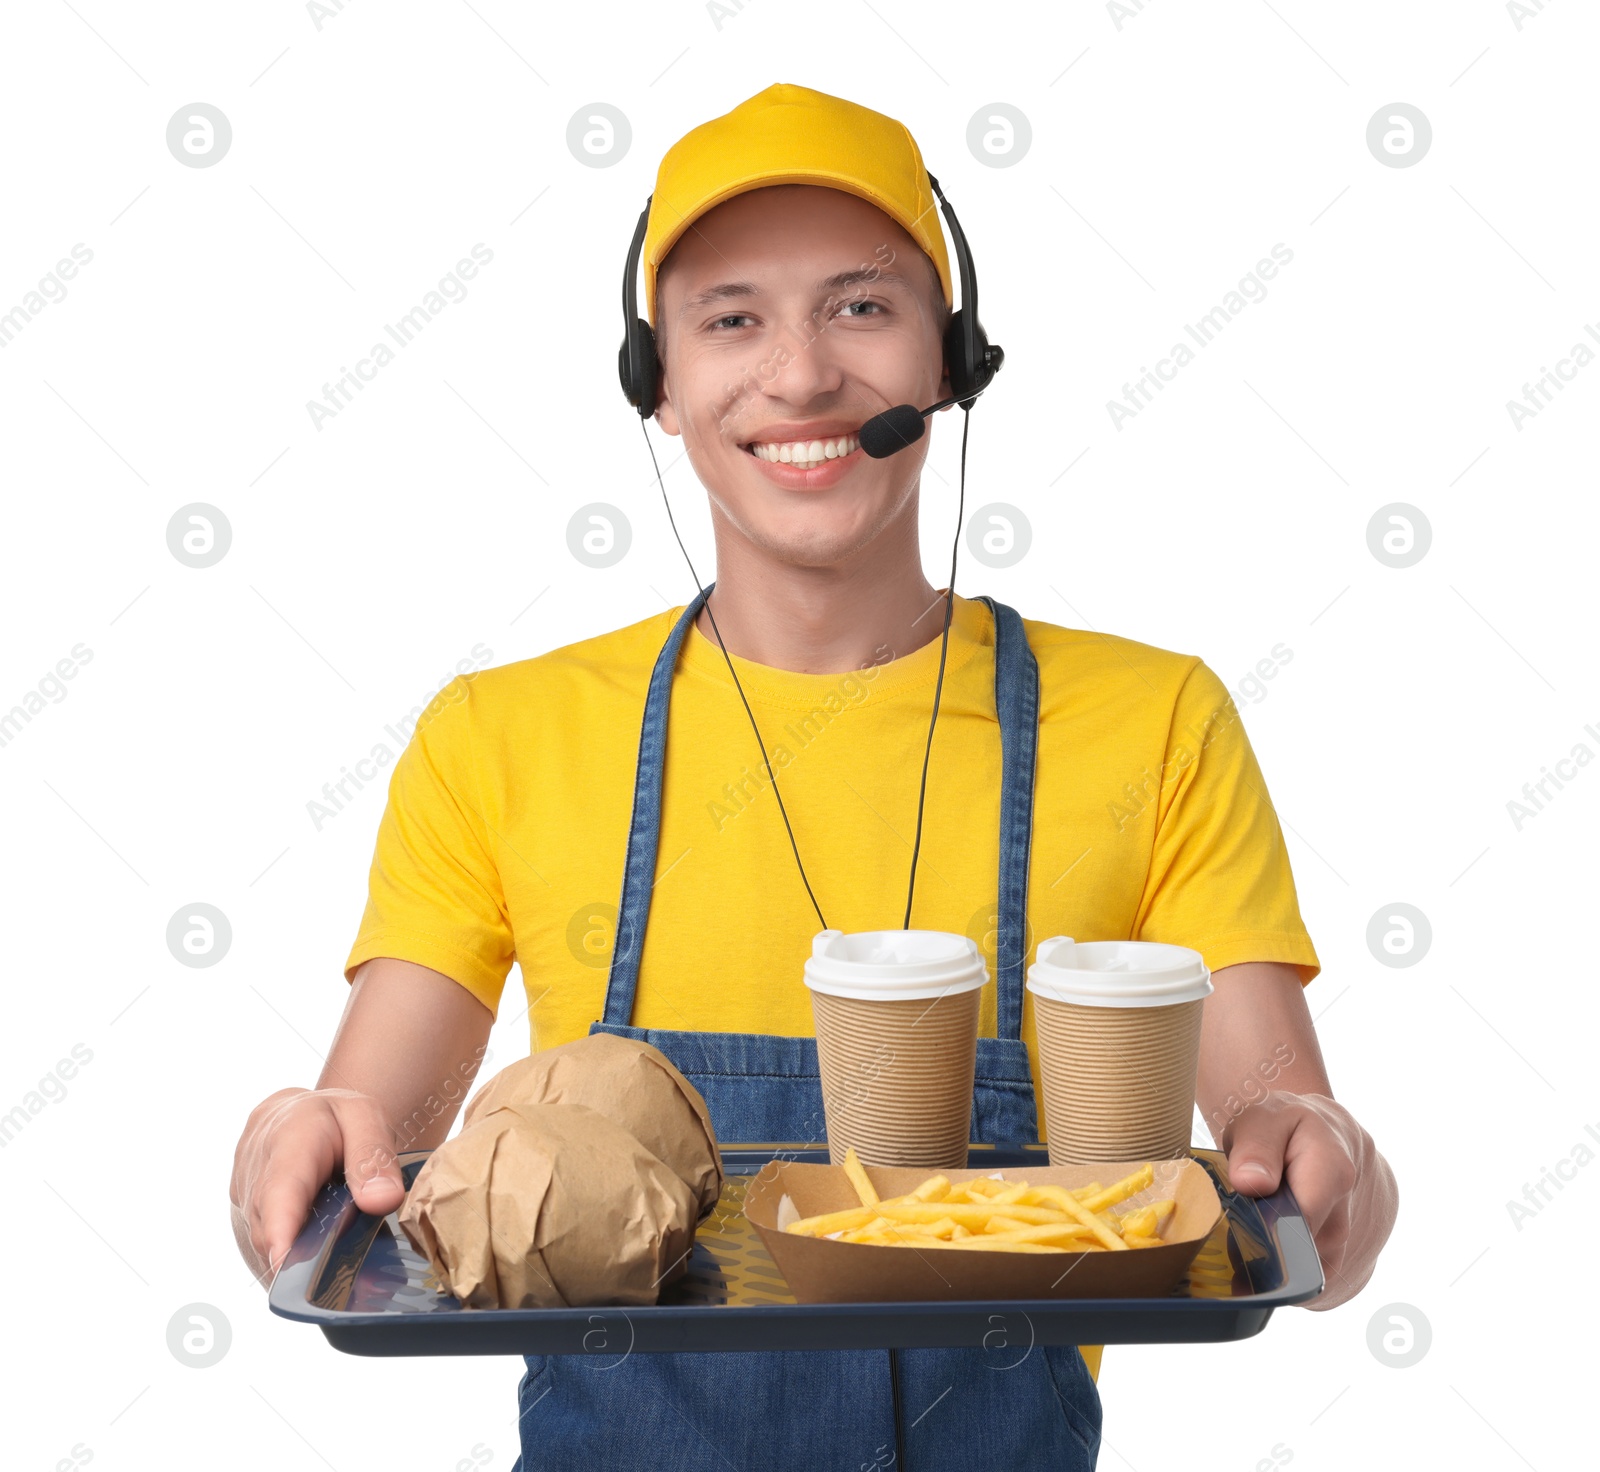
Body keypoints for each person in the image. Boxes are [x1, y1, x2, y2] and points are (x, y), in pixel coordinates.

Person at [231, 83, 1398, 1471]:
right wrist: (312, 1141)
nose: (798, 379)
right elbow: (388, 1145)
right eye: (732, 320)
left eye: (861, 306)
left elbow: (1279, 1111)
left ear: (952, 359)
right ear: (654, 385)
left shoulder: (1153, 721)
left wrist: (1325, 1153)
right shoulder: (499, 736)